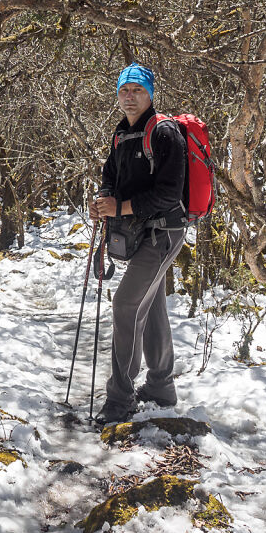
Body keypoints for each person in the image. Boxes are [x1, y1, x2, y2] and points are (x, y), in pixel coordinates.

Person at [87, 63, 187, 425]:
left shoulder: (164, 132)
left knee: (127, 303)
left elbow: (169, 193)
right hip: (140, 232)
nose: (130, 97)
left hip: (165, 232)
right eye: (124, 90)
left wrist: (121, 207)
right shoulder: (121, 134)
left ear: (150, 94)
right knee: (153, 302)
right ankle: (161, 385)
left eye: (138, 90)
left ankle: (120, 396)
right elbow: (110, 178)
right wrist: (103, 204)